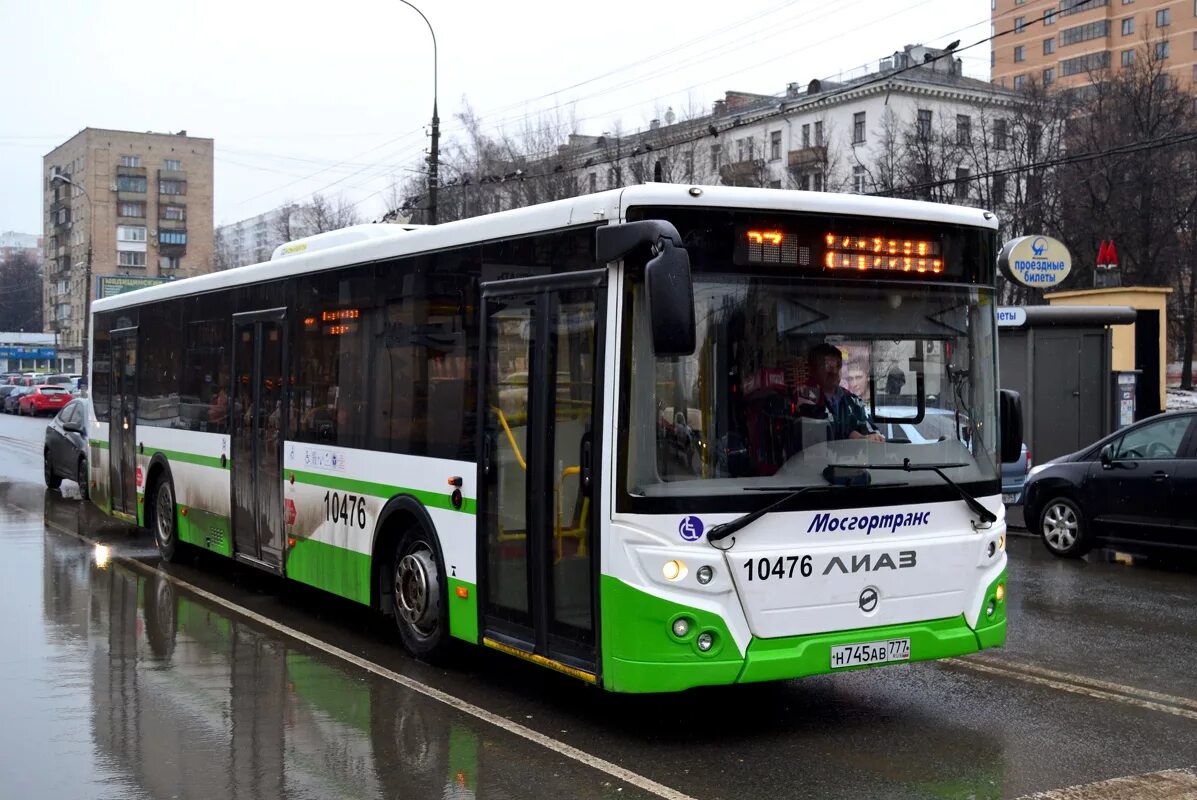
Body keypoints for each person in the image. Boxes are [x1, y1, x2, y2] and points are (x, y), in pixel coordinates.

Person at [798, 342, 884, 442]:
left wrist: (874, 436)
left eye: (838, 366)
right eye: (828, 366)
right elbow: (816, 434)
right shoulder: (806, 396)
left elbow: (869, 428)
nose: (834, 372)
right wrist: (853, 436)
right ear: (814, 370)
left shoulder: (852, 401)